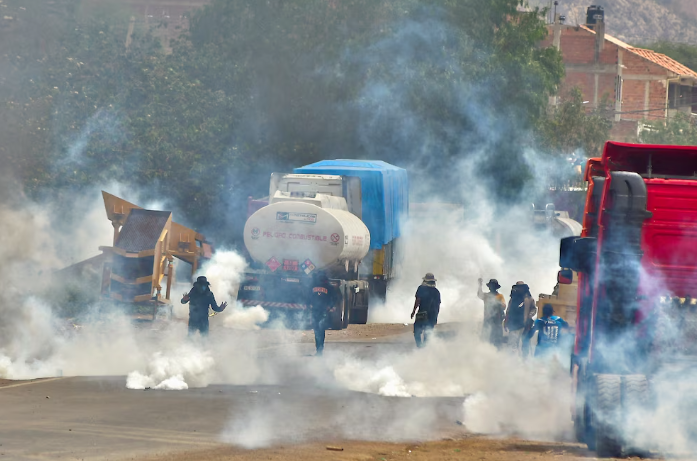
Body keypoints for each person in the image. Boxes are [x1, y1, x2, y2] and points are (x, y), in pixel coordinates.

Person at [308, 272, 338, 356]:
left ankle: (320, 349)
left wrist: (330, 306)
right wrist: (309, 304)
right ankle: (319, 349)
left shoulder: (328, 287)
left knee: (320, 329)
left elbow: (335, 298)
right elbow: (308, 297)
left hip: (323, 311)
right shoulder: (312, 286)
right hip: (315, 310)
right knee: (317, 330)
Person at [504, 281, 537, 356]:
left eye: (521, 287)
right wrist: (506, 321)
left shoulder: (529, 299)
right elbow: (508, 310)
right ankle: (511, 360)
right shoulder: (513, 299)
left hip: (524, 325)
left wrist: (530, 316)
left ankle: (524, 360)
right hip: (513, 325)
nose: (519, 289)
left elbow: (534, 309)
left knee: (524, 344)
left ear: (524, 288)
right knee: (512, 344)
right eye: (518, 287)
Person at [411, 273, 441, 348]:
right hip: (432, 315)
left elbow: (418, 301)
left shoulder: (421, 288)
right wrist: (436, 317)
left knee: (417, 332)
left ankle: (419, 346)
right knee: (428, 333)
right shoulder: (437, 292)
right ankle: (423, 348)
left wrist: (413, 311)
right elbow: (438, 306)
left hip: (422, 314)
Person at [477, 278, 506, 348]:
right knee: (486, 336)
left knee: (497, 337)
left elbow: (504, 306)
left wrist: (497, 304)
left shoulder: (500, 296)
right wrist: (480, 285)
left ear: (496, 287)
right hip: (487, 319)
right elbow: (479, 295)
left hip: (497, 320)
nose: (491, 287)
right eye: (491, 286)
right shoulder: (486, 296)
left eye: (493, 285)